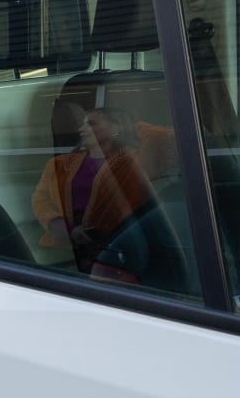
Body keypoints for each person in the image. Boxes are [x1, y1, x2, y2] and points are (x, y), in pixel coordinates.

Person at [30, 104, 154, 272]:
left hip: (118, 250)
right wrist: (65, 228)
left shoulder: (135, 161)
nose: (81, 129)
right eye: (82, 124)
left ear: (116, 127)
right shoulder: (60, 164)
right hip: (67, 252)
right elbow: (41, 198)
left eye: (91, 123)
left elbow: (164, 138)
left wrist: (134, 126)